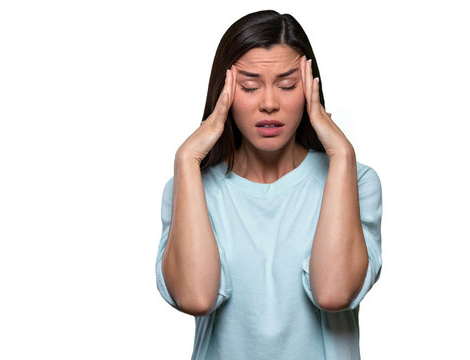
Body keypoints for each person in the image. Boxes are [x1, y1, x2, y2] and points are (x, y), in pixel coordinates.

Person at [155, 10, 382, 360]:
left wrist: (341, 153)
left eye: (288, 85)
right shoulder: (189, 187)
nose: (269, 104)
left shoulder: (356, 181)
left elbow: (333, 292)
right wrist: (187, 158)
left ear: (310, 88)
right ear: (225, 92)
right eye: (249, 87)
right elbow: (196, 298)